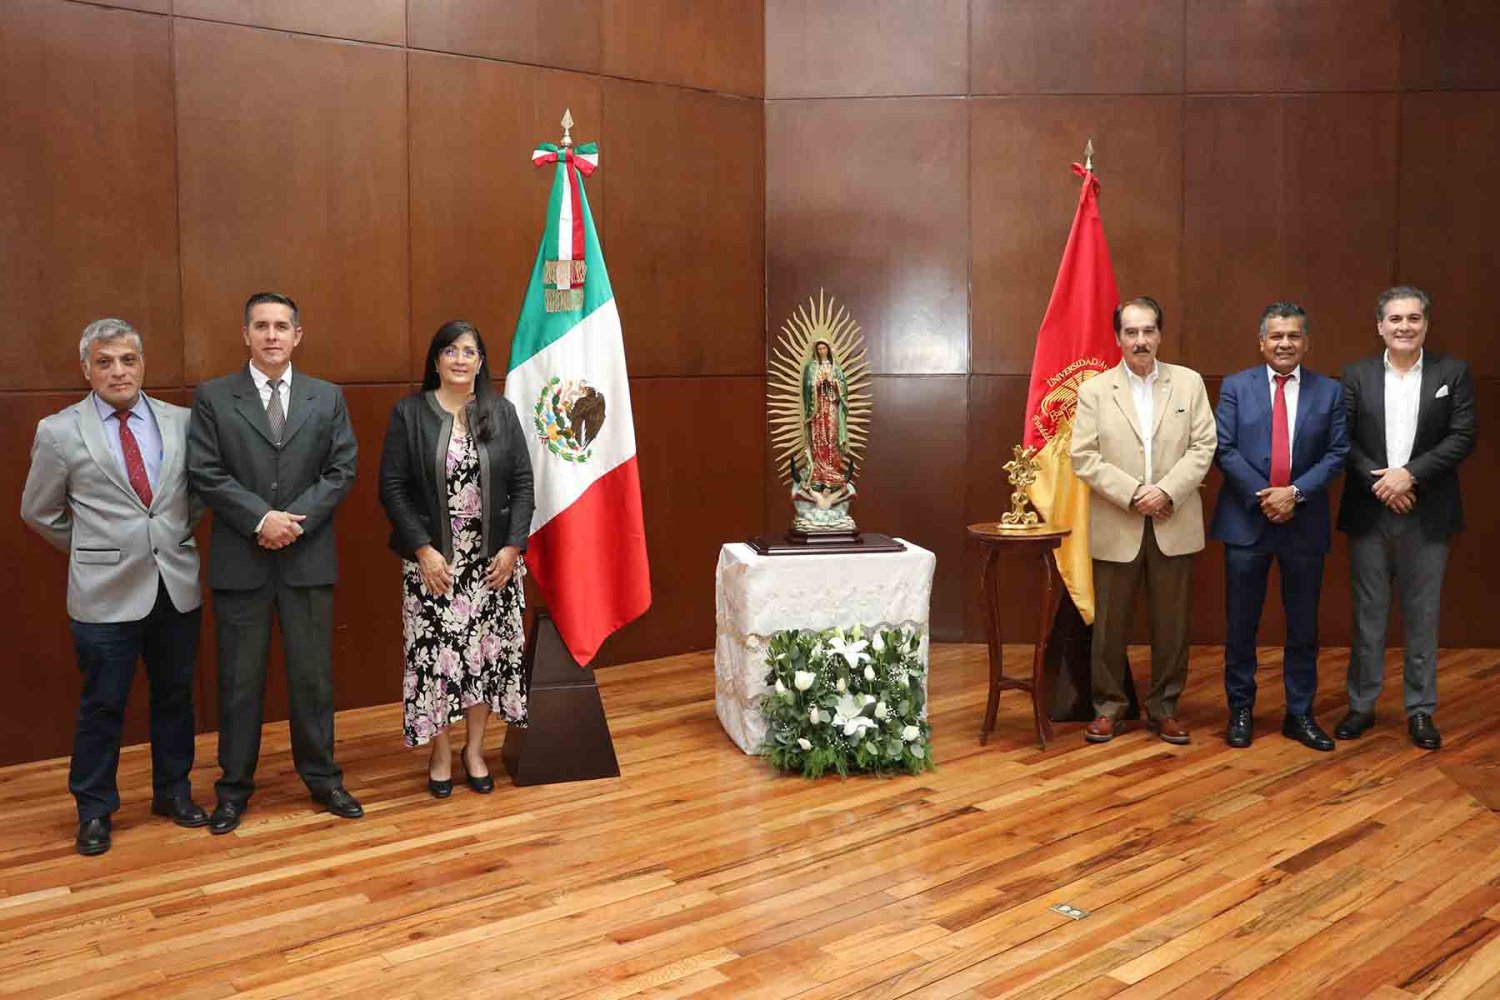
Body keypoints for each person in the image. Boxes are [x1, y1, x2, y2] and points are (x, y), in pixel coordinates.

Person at [21, 319, 207, 855]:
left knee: (175, 697)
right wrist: (92, 551)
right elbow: (39, 511)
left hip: (175, 584)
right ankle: (95, 809)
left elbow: (198, 496)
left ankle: (173, 792)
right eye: (105, 362)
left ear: (142, 364)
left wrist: (170, 538)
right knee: (103, 704)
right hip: (103, 595)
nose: (118, 371)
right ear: (87, 369)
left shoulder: (184, 422)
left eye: (127, 359)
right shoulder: (59, 431)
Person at [187, 292, 361, 833]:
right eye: (260, 326)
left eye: (281, 326)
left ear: (297, 335)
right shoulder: (215, 398)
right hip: (243, 561)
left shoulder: (326, 397)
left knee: (313, 679)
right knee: (240, 682)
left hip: (307, 560)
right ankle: (234, 788)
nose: (271, 335)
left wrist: (292, 522)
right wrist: (262, 520)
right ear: (245, 335)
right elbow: (207, 473)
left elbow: (341, 471)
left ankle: (323, 778)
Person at [379, 322, 533, 797]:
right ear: (436, 360)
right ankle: (441, 753)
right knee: (438, 664)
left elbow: (523, 483)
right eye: (451, 350)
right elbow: (393, 487)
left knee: (486, 660)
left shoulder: (501, 412)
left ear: (481, 362)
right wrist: (423, 550)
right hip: (435, 568)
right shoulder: (410, 414)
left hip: (492, 566)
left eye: (470, 351)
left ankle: (475, 750)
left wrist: (512, 547)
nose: (460, 359)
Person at [1071, 296, 1216, 745]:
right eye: (1131, 332)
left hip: (1174, 519)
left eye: (1148, 331)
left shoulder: (1189, 384)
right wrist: (1135, 494)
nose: (1140, 340)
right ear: (1118, 338)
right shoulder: (1095, 390)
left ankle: (1165, 707)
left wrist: (1166, 491)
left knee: (1172, 626)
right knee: (1110, 626)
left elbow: (1203, 445)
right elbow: (1084, 456)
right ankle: (1109, 708)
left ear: (1160, 335)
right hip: (1118, 522)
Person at [1336, 286, 1475, 750]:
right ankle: (1361, 705)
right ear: (1379, 325)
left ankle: (1420, 710)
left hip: (1427, 513)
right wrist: (1382, 484)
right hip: (1370, 510)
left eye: (1413, 319)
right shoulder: (1355, 375)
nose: (1404, 327)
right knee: (1368, 616)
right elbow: (1344, 439)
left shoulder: (1451, 373)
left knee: (1423, 616)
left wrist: (1409, 477)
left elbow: (1462, 437)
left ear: (1426, 325)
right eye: (1395, 319)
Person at [1210, 302, 1348, 751]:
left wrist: (1295, 494)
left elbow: (1337, 452)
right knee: (1241, 625)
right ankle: (1241, 711)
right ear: (1262, 342)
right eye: (1276, 336)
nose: (1284, 343)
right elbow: (1224, 449)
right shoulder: (1236, 386)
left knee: (1303, 626)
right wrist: (1267, 496)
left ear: (1305, 342)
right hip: (1246, 521)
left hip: (1303, 524)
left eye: (1293, 336)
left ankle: (1300, 714)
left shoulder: (1329, 392)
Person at [802, 340, 849, 489]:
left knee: (832, 437)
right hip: (817, 410)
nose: (822, 350)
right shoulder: (811, 368)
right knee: (819, 437)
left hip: (831, 407)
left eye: (824, 348)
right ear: (816, 350)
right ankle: (818, 474)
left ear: (828, 349)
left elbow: (844, 388)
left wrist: (833, 382)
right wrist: (817, 382)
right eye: (819, 348)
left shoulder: (836, 368)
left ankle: (833, 471)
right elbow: (807, 387)